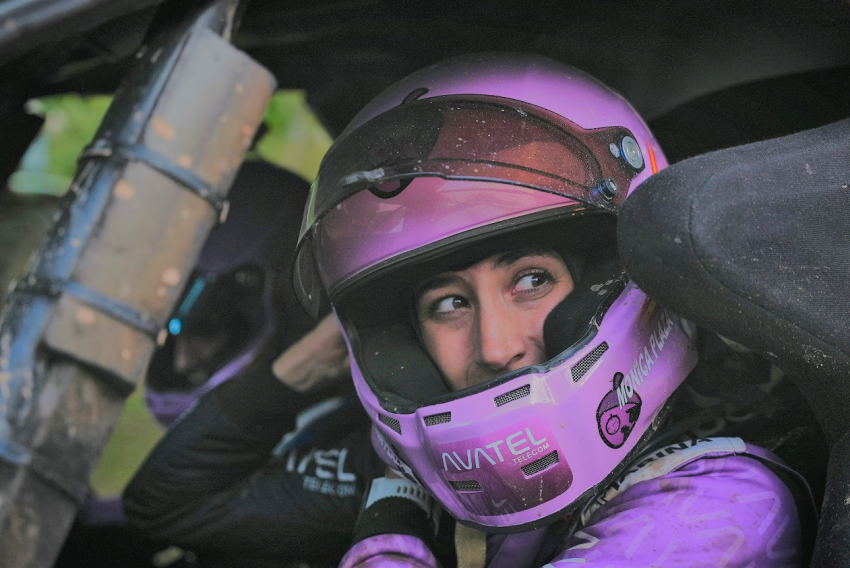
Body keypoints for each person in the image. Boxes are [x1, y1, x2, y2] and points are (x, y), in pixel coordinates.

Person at [290, 53, 818, 567]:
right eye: (449, 304)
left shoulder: (715, 513)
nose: (497, 348)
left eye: (531, 280)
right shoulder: (469, 493)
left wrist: (390, 528)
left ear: (620, 276)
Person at [123, 161, 384, 568]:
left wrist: (292, 373)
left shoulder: (362, 435)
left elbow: (160, 503)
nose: (184, 358)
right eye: (171, 325)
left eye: (209, 325)